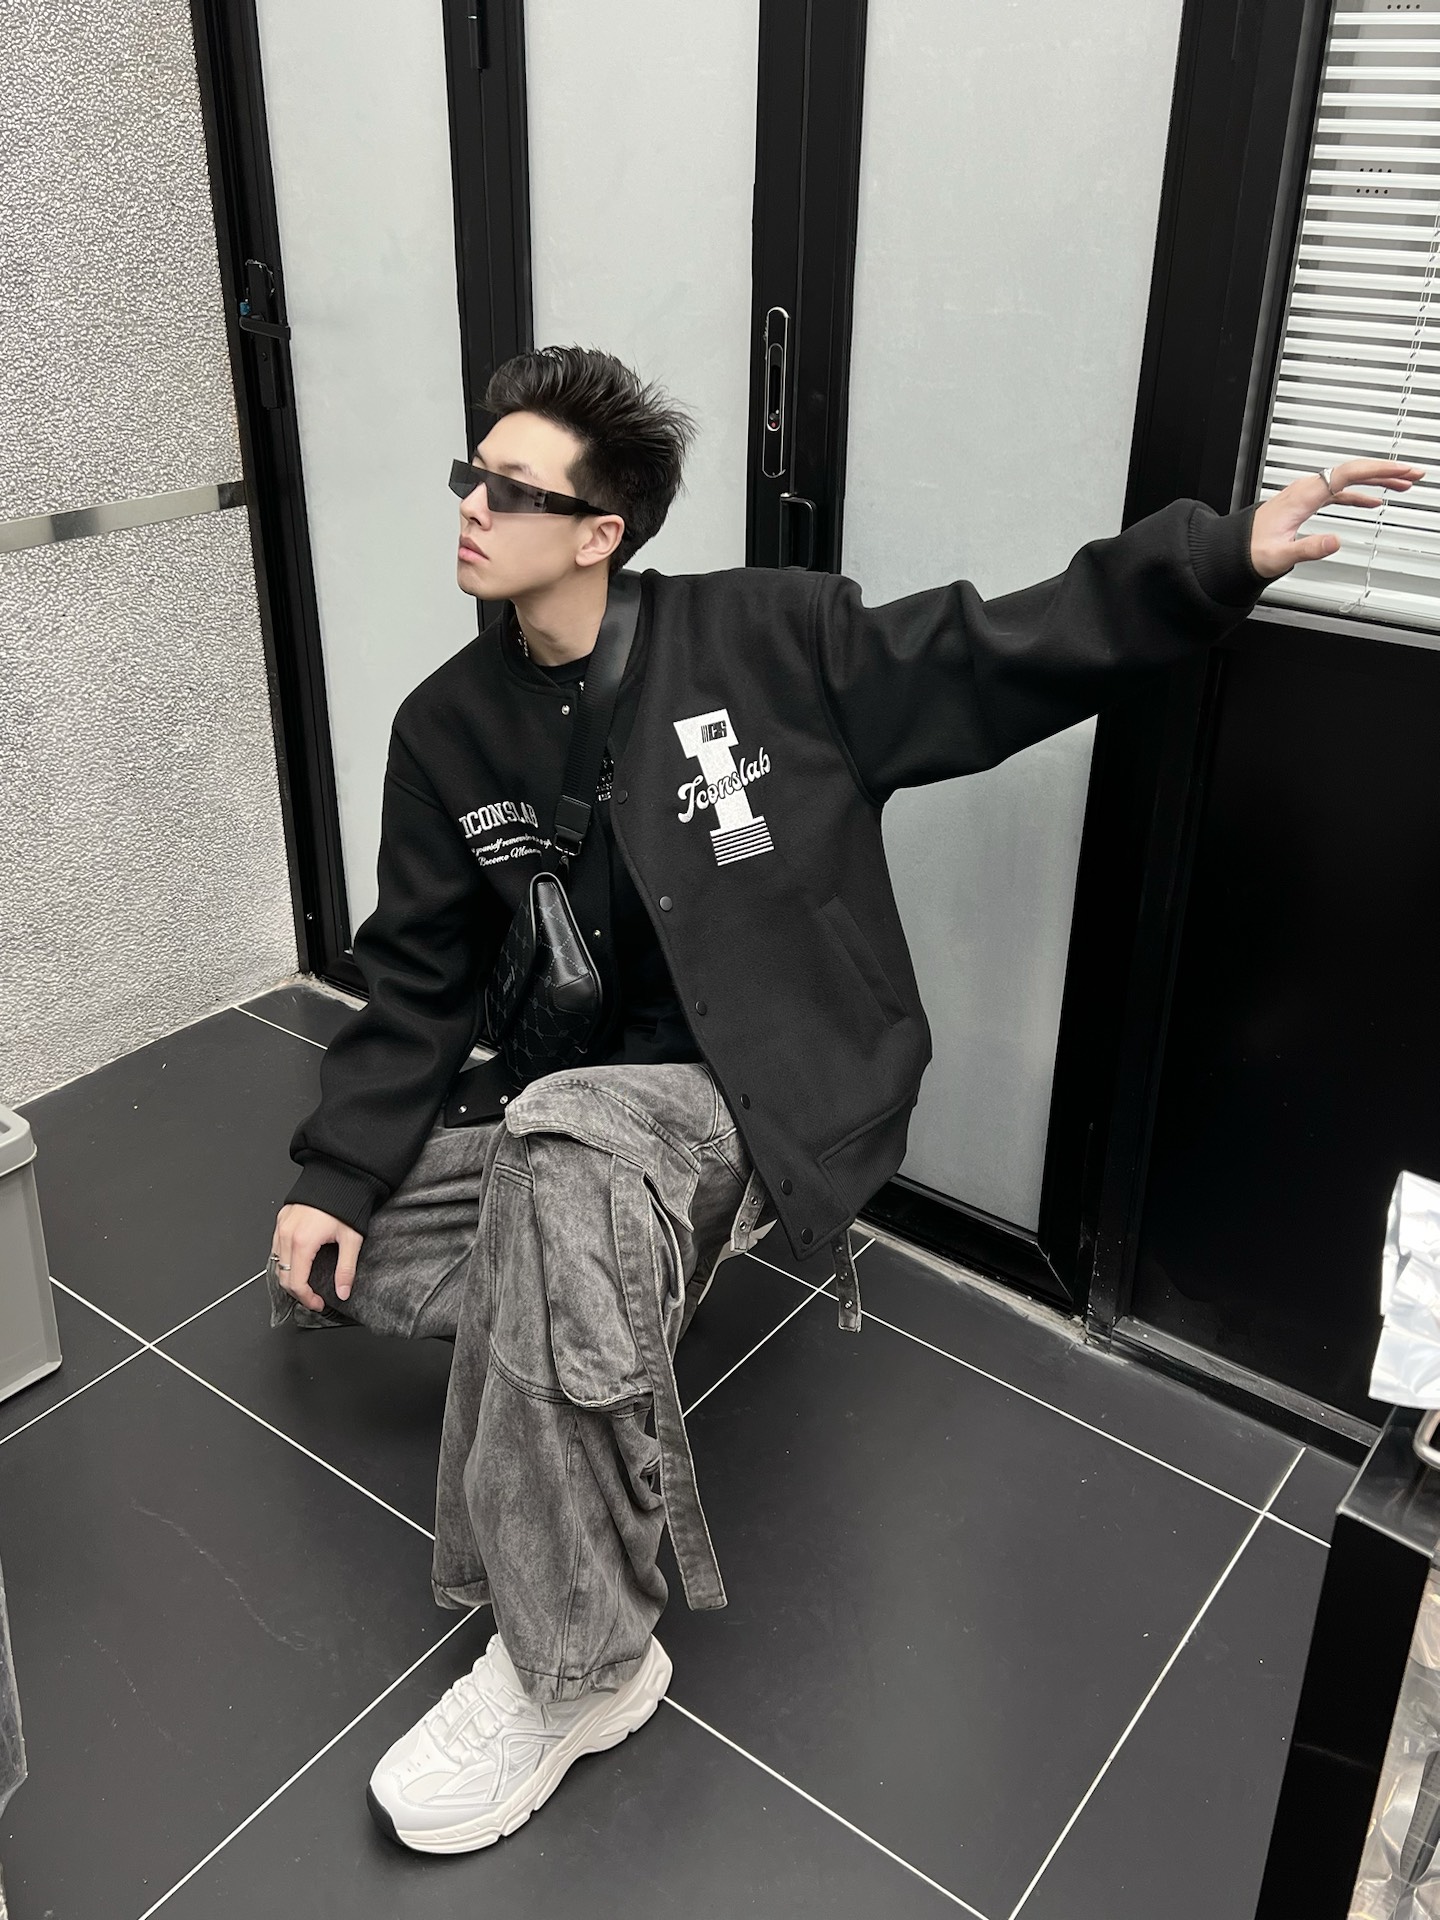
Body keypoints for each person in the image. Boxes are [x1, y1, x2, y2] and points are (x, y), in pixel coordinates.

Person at [266, 344, 1420, 1855]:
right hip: (579, 1107)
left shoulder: (769, 640)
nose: (472, 507)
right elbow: (416, 976)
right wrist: (336, 1175)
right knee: (363, 1260)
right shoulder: (445, 727)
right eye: (468, 475)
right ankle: (605, 1288)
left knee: (557, 1168)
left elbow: (1002, 651)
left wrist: (1212, 559)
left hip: (762, 1087)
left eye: (512, 489)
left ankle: (581, 1664)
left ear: (602, 530)